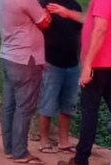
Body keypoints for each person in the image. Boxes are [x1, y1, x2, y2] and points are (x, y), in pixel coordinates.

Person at [49, 0, 111, 165]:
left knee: (90, 112)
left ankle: (81, 159)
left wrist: (88, 65)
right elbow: (94, 20)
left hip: (99, 64)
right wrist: (69, 13)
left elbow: (100, 28)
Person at [0, 0, 50, 164]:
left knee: (9, 105)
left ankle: (10, 148)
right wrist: (45, 12)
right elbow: (45, 22)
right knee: (24, 107)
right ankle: (20, 151)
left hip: (8, 54)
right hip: (26, 57)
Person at [35, 0, 80, 154]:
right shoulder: (43, 4)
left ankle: (64, 141)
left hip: (72, 62)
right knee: (47, 103)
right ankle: (44, 140)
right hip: (51, 61)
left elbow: (79, 33)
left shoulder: (74, 5)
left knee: (68, 105)